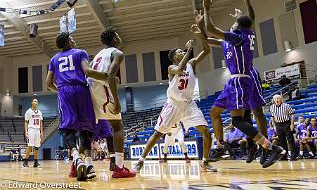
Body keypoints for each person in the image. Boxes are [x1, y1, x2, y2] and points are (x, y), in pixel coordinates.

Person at [203, 0, 284, 168]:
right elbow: (250, 19)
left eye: (234, 23)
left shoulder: (238, 37)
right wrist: (246, 0)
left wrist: (206, 8)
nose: (231, 25)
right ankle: (221, 145)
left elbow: (211, 29)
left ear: (238, 27)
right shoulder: (245, 34)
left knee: (240, 120)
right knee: (214, 112)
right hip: (234, 81)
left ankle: (269, 147)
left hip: (241, 80)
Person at [134, 21, 215, 172]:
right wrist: (189, 49)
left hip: (189, 104)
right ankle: (141, 160)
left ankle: (205, 161)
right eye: (180, 52)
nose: (183, 52)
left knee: (206, 131)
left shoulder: (191, 63)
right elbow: (179, 70)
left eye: (183, 51)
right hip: (174, 104)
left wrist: (200, 34)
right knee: (158, 133)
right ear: (174, 57)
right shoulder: (171, 68)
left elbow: (206, 50)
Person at [46, 32, 108, 181]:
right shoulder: (81, 53)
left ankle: (75, 157)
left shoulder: (54, 59)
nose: (74, 40)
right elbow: (87, 71)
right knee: (85, 128)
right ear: (67, 41)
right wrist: (106, 76)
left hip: (65, 91)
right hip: (81, 90)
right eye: (71, 38)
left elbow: (48, 83)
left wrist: (60, 90)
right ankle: (89, 164)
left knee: (68, 128)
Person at [88, 28, 136, 178]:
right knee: (117, 127)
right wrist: (117, 101)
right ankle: (119, 168)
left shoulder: (99, 54)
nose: (120, 38)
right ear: (115, 38)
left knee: (88, 130)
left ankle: (83, 163)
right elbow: (110, 76)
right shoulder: (117, 53)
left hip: (90, 89)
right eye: (118, 35)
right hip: (102, 90)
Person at [269, 95, 297, 161]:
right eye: (275, 98)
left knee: (290, 140)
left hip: (286, 123)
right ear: (273, 100)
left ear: (281, 99)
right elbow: (272, 117)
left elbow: (292, 114)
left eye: (278, 98)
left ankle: (293, 156)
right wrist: (274, 125)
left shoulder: (286, 105)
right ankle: (284, 156)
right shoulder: (271, 107)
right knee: (282, 141)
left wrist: (292, 124)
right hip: (278, 124)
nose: (277, 100)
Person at [23, 99, 43, 168]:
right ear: (32, 103)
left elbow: (40, 122)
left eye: (37, 101)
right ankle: (25, 161)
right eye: (34, 101)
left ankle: (36, 162)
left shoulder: (40, 112)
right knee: (30, 145)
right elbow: (26, 122)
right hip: (31, 129)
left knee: (37, 146)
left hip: (37, 130)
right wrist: (26, 131)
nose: (36, 102)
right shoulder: (28, 112)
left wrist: (41, 132)